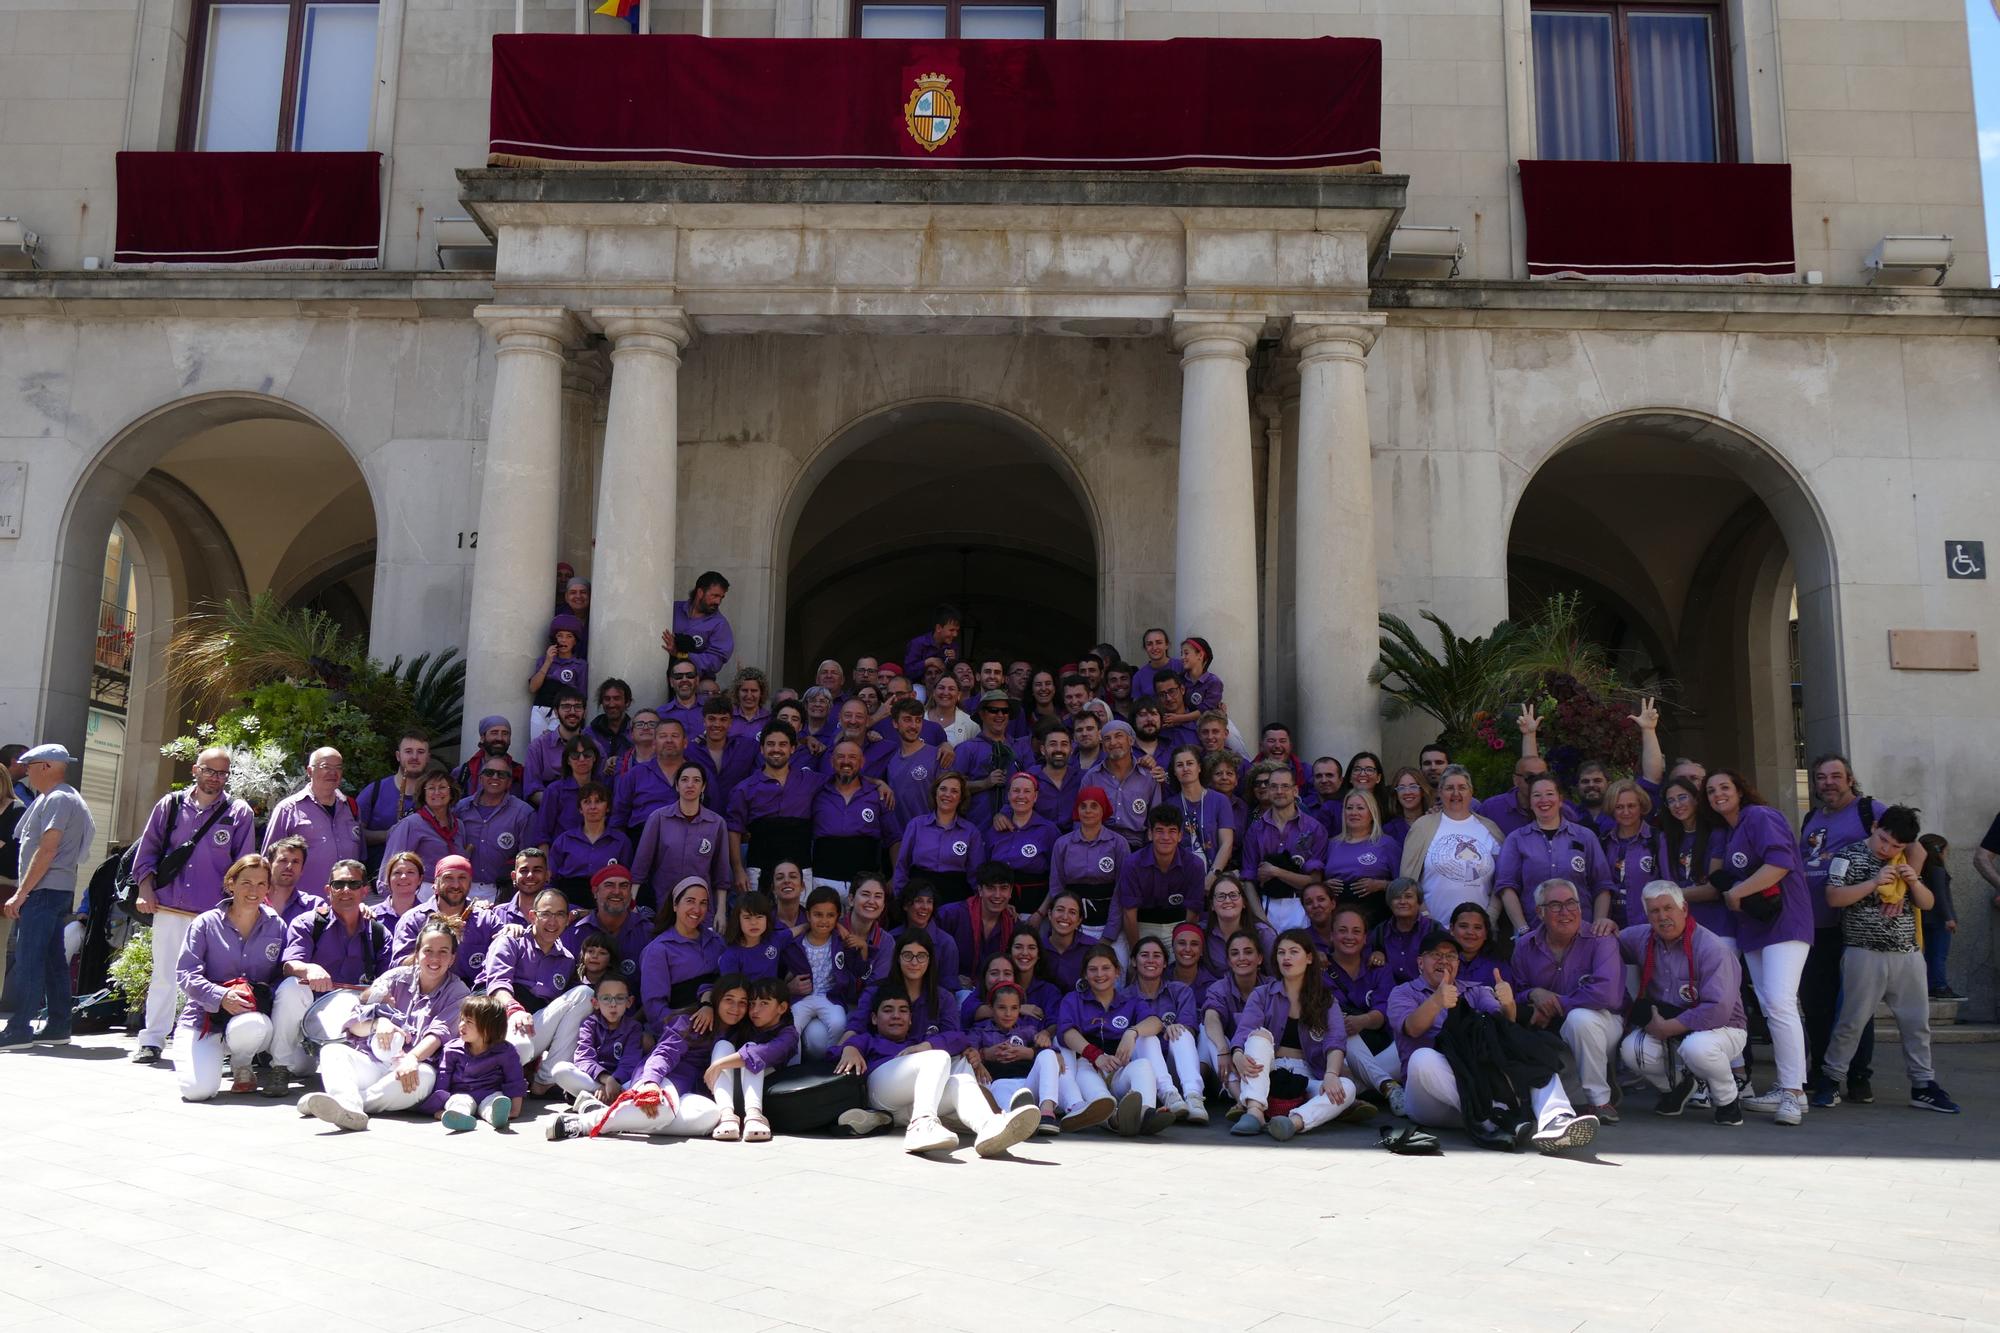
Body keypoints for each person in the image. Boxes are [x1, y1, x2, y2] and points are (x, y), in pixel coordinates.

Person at [1386, 927, 1598, 1153]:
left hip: (1477, 1089)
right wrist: (1437, 1000)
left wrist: (1508, 1005)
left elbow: (1504, 1029)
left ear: (1458, 963)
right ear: (1420, 962)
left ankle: (1556, 1119)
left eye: (1450, 956)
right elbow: (1412, 1028)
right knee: (1423, 1058)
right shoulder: (1403, 993)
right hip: (1430, 1099)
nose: (1444, 961)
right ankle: (1501, 1114)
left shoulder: (1475, 991)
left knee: (1530, 1048)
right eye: (1436, 955)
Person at [1812, 806, 1959, 1114]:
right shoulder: (1847, 856)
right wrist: (1874, 883)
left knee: (1917, 1024)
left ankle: (1923, 1085)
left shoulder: (1905, 860)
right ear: (1875, 827)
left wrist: (1914, 882)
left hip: (1907, 954)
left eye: (1896, 846)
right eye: (1884, 840)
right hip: (1863, 952)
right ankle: (1830, 1079)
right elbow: (1833, 897)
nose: (1887, 849)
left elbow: (1928, 903)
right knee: (1851, 1022)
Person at [128, 746, 254, 1063]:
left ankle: (212, 1041)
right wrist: (146, 891)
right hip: (170, 906)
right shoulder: (170, 805)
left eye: (222, 773)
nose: (215, 778)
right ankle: (153, 1040)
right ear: (195, 770)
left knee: (216, 980)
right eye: (209, 771)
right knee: (164, 975)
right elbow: (147, 855)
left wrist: (238, 909)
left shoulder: (239, 813)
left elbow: (244, 867)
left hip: (213, 914)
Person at [1705, 770, 1813, 1126]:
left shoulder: (1760, 816)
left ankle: (1794, 1094)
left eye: (1725, 787)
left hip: (1785, 923)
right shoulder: (1730, 831)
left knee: (1781, 1003)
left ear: (1740, 790)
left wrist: (1737, 892)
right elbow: (1717, 874)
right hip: (1753, 928)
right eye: (1711, 791)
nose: (1718, 794)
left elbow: (1781, 863)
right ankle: (1788, 1086)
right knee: (1771, 1006)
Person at [299, 918, 469, 1131]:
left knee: (425, 1075)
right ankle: (347, 1105)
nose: (435, 958)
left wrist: (412, 1058)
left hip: (414, 1067)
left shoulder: (458, 992)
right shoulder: (395, 978)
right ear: (417, 953)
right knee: (333, 1051)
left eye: (444, 951)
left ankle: (349, 1106)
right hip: (375, 1061)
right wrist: (378, 1023)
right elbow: (352, 1024)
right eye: (428, 950)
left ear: (452, 958)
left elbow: (437, 1035)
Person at [833, 987, 1041, 1157]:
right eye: (888, 1010)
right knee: (939, 1056)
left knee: (960, 1080)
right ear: (874, 1019)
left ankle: (988, 1128)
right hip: (881, 1091)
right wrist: (849, 1048)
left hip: (908, 1105)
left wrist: (924, 1046)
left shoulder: (917, 1043)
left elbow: (959, 1038)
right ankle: (921, 1125)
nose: (896, 1016)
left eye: (903, 1010)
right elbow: (830, 1055)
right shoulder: (867, 1040)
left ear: (911, 1018)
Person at [1616, 882, 1748, 1125]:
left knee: (1697, 1048)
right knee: (1631, 1050)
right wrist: (1605, 927)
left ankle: (1728, 1101)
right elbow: (1608, 945)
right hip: (1668, 1020)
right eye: (1654, 911)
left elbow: (1718, 1010)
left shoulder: (1712, 947)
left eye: (1668, 908)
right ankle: (1679, 1085)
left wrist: (1670, 1028)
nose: (1663, 917)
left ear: (1684, 908)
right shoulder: (1640, 937)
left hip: (1722, 1027)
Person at [1797, 754, 1885, 1103]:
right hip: (1814, 925)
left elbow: (1913, 848)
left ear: (1850, 779)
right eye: (1821, 777)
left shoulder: (1870, 810)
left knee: (1854, 1006)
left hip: (1854, 926)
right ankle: (1821, 1072)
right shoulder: (1812, 817)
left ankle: (1859, 1077)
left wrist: (1894, 891)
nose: (1828, 783)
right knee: (1816, 1004)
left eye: (1836, 776)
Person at [1226, 929, 1369, 1140]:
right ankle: (1255, 1112)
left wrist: (1330, 1075)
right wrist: (1237, 1054)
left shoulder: (1325, 1000)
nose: (1287, 958)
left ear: (1309, 958)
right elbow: (1245, 1030)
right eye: (1281, 952)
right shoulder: (1262, 994)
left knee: (1347, 1087)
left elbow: (1335, 1042)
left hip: (1307, 1076)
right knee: (1258, 1036)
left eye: (1294, 951)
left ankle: (1293, 1122)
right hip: (1266, 1070)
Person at [0, 745, 96, 1049]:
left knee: (30, 959)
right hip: (54, 890)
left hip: (43, 891)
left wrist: (21, 893)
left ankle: (19, 1031)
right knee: (53, 960)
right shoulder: (63, 797)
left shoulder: (58, 799)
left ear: (45, 767)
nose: (26, 771)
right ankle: (57, 1025)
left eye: (30, 766)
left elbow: (47, 849)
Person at [171, 853, 287, 1101]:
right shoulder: (205, 923)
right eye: (246, 882)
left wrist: (262, 995)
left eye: (260, 884)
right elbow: (186, 973)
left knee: (252, 1026)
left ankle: (242, 1064)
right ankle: (212, 1055)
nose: (253, 890)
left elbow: (282, 974)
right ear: (230, 883)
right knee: (197, 1091)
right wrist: (221, 996)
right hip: (204, 1019)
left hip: (250, 1020)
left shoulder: (277, 925)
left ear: (268, 887)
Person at [545, 988, 730, 1142]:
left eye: (742, 1003)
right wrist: (651, 1082)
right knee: (660, 1108)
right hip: (660, 1078)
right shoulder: (690, 1022)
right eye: (729, 1000)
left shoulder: (738, 1035)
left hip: (684, 1094)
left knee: (710, 1116)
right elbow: (663, 1054)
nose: (735, 1008)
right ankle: (583, 1123)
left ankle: (618, 1116)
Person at [1510, 877, 1625, 1121]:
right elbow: (1517, 991)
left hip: (1604, 1021)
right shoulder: (1524, 946)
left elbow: (1607, 994)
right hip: (1550, 1026)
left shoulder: (1600, 938)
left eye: (1571, 903)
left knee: (1580, 1019)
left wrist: (1558, 1004)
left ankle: (1600, 1102)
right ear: (1540, 912)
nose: (1565, 912)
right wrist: (1533, 993)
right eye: (1555, 905)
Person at [268, 859, 391, 1087]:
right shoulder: (308, 923)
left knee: (305, 1068)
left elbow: (387, 982)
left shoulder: (378, 932)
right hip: (307, 1008)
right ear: (328, 890)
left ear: (365, 890)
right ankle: (280, 1067)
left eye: (354, 884)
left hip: (352, 1014)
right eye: (339, 884)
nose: (346, 890)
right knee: (290, 988)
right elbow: (289, 965)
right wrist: (308, 968)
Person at [481, 886, 593, 1084]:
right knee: (521, 1046)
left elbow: (567, 1013)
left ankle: (545, 1081)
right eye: (546, 914)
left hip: (536, 1024)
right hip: (502, 1020)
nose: (552, 921)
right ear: (532, 916)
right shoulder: (511, 940)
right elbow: (498, 984)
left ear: (567, 920)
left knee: (585, 994)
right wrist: (514, 1010)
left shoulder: (567, 960)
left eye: (559, 915)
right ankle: (491, 1082)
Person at [1056, 943, 1170, 1136]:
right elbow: (1066, 1032)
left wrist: (1131, 1032)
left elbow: (1156, 1022)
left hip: (1119, 1068)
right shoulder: (1073, 999)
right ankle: (1115, 1119)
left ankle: (1145, 1113)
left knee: (1143, 1065)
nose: (1100, 974)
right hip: (1088, 1066)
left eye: (1106, 968)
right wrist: (1096, 1055)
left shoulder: (1129, 1000)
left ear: (1117, 971)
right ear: (1084, 974)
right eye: (1093, 969)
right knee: (1100, 1097)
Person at [1493, 774, 1615, 936]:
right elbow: (1506, 887)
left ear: (1560, 799)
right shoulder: (1516, 839)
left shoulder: (1585, 837)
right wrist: (1522, 929)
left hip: (1582, 933)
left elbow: (1602, 884)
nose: (1544, 799)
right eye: (1537, 795)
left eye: (1550, 794)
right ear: (1530, 802)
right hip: (1535, 932)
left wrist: (1598, 925)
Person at [1398, 765, 1503, 925]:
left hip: (1479, 930)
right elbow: (1408, 880)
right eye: (1449, 788)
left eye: (1462, 788)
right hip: (1432, 928)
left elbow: (1503, 879)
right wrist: (1427, 919)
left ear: (1471, 791)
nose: (1456, 793)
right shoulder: (1422, 827)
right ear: (1440, 792)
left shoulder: (1489, 829)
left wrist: (1490, 918)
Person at [1325, 905, 1404, 1112]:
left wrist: (1364, 1021)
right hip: (1344, 1057)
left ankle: (1355, 1090)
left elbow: (1387, 1009)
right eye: (1342, 930)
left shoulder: (1378, 966)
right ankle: (1387, 1086)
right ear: (1331, 936)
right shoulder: (1320, 969)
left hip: (1382, 1049)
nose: (1349, 936)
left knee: (1410, 1044)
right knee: (1339, 1027)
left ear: (1365, 937)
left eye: (1356, 931)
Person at [1124, 934, 1208, 1123]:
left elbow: (1191, 1031)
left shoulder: (1180, 991)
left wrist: (1176, 1027)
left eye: (1157, 956)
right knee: (1145, 1036)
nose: (1151, 960)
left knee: (1181, 1032)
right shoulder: (1123, 996)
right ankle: (1169, 1095)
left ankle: (1194, 1097)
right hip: (1144, 1072)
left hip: (1178, 1068)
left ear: (1164, 964)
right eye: (1144, 955)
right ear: (1134, 962)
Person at [262, 748, 365, 901]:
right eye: (326, 767)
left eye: (338, 768)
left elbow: (361, 858)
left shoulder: (351, 807)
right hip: (302, 907)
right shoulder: (288, 809)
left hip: (346, 906)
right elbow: (268, 862)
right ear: (310, 771)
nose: (333, 773)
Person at [703, 976, 798, 1142]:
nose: (755, 1010)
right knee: (723, 1045)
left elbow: (760, 1054)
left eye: (764, 1003)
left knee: (752, 1053)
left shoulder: (788, 1034)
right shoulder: (746, 1026)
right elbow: (704, 987)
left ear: (782, 1008)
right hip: (731, 1097)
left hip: (767, 1097)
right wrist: (706, 1006)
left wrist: (718, 1065)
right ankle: (726, 1117)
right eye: (752, 1003)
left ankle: (755, 1117)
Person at [631, 762, 731, 915]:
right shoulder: (659, 818)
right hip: (663, 903)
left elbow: (721, 873)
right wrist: (631, 905)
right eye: (684, 780)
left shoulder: (717, 823)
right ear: (677, 786)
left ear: (703, 787)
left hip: (701, 907)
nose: (690, 785)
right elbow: (641, 865)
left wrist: (721, 912)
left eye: (696, 780)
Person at [967, 980, 1064, 1135]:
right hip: (999, 1083)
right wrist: (985, 1054)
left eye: (1014, 1008)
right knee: (1003, 1097)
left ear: (1020, 1010)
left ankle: (1046, 1113)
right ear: (991, 1009)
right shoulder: (979, 1032)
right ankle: (1019, 1121)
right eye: (1001, 1008)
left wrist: (1029, 1052)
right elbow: (968, 1053)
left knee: (1047, 1054)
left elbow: (1049, 1051)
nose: (1008, 1014)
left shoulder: (1028, 1031)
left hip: (1028, 1082)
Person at [388, 856, 502, 986]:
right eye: (448, 878)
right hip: (426, 996)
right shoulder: (413, 920)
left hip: (475, 997)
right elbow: (398, 966)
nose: (455, 885)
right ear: (435, 884)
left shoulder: (486, 920)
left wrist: (511, 930)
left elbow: (503, 960)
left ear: (470, 883)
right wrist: (434, 945)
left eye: (462, 878)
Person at [1238, 765, 1326, 929]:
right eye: (1274, 786)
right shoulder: (1255, 830)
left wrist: (1275, 872)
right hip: (1265, 905)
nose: (1279, 791)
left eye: (1285, 786)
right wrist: (1262, 921)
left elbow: (1314, 881)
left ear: (1295, 791)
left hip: (1302, 906)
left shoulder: (1314, 829)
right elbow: (1248, 880)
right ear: (1268, 791)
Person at [542, 974, 646, 1109]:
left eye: (620, 999)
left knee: (642, 1080)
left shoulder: (633, 1028)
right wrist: (606, 1080)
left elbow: (630, 1061)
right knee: (559, 1070)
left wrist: (615, 1080)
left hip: (622, 1081)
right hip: (594, 1079)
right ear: (595, 1003)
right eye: (606, 999)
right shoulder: (589, 1024)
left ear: (629, 1002)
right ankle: (609, 1098)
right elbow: (584, 1058)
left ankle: (595, 1100)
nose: (613, 1004)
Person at [424, 994, 526, 1132]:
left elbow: (514, 1079)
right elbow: (443, 1078)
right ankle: (458, 1117)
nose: (461, 1025)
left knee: (495, 1101)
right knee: (459, 1102)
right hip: (461, 1093)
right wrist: (438, 1108)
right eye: (462, 1020)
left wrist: (515, 1109)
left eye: (469, 1022)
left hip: (490, 1093)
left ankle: (495, 1117)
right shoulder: (452, 1049)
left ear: (488, 1028)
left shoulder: (505, 1051)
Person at [1112, 806, 1203, 954]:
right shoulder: (1132, 863)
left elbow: (1193, 914)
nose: (1166, 837)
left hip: (1178, 926)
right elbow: (1129, 914)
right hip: (1141, 926)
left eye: (1172, 831)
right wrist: (1136, 953)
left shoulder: (1195, 865)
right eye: (1160, 831)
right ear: (1150, 834)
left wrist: (1184, 947)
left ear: (1180, 835)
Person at [893, 772, 983, 904]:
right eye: (943, 789)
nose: (947, 794)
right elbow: (902, 865)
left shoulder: (971, 832)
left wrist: (977, 903)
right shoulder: (916, 825)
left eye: (954, 791)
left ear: (961, 798)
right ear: (935, 793)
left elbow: (975, 873)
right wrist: (900, 897)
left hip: (955, 897)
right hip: (919, 895)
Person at [456, 753, 537, 898]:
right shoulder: (461, 809)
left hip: (503, 893)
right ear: (481, 778)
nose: (494, 777)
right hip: (461, 888)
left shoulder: (524, 813)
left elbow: (529, 858)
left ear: (509, 782)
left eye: (501, 774)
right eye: (489, 773)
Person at [558, 863, 654, 985]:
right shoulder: (575, 933)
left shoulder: (647, 932)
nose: (617, 891)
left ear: (630, 893)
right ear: (595, 892)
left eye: (624, 886)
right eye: (609, 885)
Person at [376, 766, 463, 892]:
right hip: (419, 894)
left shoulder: (459, 826)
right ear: (423, 793)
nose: (437, 792)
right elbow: (390, 866)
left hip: (453, 893)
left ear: (451, 793)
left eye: (442, 787)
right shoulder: (410, 824)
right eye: (431, 788)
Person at [1160, 744, 1235, 886]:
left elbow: (1226, 843)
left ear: (1199, 767)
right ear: (1174, 772)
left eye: (1190, 763)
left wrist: (1212, 877)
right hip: (1181, 880)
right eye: (1180, 765)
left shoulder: (1220, 800)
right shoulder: (1169, 805)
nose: (1185, 768)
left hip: (1216, 880)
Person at [1320, 789, 1398, 924]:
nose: (1354, 812)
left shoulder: (1386, 843)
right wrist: (1325, 887)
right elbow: (1319, 879)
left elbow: (1403, 883)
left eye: (1360, 808)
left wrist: (1380, 885)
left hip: (1375, 914)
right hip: (1338, 915)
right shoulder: (1332, 844)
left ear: (1372, 813)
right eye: (1349, 808)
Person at [986, 772, 1061, 914]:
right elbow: (984, 872)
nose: (1021, 796)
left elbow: (1057, 877)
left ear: (1035, 797)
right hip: (998, 909)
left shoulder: (1048, 831)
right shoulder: (995, 830)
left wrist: (1040, 913)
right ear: (1008, 795)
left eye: (1027, 791)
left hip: (1034, 910)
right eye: (1016, 791)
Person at [548, 781, 632, 907]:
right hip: (569, 901)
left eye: (598, 801)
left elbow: (627, 878)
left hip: (608, 903)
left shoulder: (621, 841)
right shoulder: (564, 840)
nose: (593, 807)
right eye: (587, 802)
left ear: (608, 807)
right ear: (580, 809)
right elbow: (551, 878)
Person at [1601, 778, 1667, 929]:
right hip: (1611, 927)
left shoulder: (1658, 840)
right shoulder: (1604, 842)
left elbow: (1669, 884)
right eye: (1619, 807)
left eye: (1631, 806)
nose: (1626, 812)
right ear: (1612, 809)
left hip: (1648, 926)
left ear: (1641, 806)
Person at [357, 732, 431, 867]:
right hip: (379, 876)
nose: (414, 757)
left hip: (425, 879)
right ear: (398, 756)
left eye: (420, 752)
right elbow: (355, 835)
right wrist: (388, 834)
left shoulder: (436, 795)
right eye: (408, 751)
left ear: (428, 757)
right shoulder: (374, 791)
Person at [1084, 720, 1160, 851]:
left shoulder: (1148, 777)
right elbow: (1081, 818)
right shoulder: (1092, 777)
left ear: (1131, 741)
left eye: (1118, 736)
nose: (1113, 742)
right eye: (1107, 739)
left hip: (1138, 846)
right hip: (1100, 845)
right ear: (1103, 746)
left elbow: (1156, 818)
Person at [525, 691, 599, 804]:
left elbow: (602, 785)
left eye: (578, 707)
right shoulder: (538, 747)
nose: (572, 712)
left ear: (585, 712)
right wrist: (561, 803)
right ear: (556, 711)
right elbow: (532, 790)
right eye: (566, 707)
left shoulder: (595, 747)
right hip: (550, 808)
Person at [664, 570, 735, 678]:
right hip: (662, 675)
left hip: (695, 682)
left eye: (721, 597)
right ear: (700, 592)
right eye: (715, 595)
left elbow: (715, 662)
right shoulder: (673, 608)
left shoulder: (720, 624)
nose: (718, 602)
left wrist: (680, 654)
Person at [528, 614, 589, 739]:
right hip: (540, 708)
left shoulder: (579, 665)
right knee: (537, 744)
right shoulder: (544, 660)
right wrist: (548, 662)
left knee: (557, 744)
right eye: (560, 636)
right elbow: (533, 688)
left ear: (575, 640)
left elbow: (582, 694)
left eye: (569, 636)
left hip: (563, 710)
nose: (563, 640)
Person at [1918, 833, 1960, 999]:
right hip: (1938, 919)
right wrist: (1949, 918)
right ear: (1940, 851)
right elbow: (1941, 896)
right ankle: (1939, 985)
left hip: (1926, 918)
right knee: (1939, 954)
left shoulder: (1921, 868)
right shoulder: (1937, 870)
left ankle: (1930, 985)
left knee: (1929, 954)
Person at [1367, 877, 1431, 984]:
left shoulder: (1433, 929)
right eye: (1396, 897)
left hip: (1426, 993)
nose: (1402, 902)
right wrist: (1375, 955)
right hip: (1389, 993)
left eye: (1408, 896)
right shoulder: (1380, 932)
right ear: (1389, 903)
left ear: (1419, 902)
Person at [452, 716, 523, 798]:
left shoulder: (519, 772)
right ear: (482, 738)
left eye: (505, 733)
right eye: (494, 733)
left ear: (509, 739)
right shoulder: (462, 773)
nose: (500, 738)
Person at [901, 605, 963, 682]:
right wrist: (928, 662)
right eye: (951, 630)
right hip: (919, 687)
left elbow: (954, 674)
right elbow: (908, 672)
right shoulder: (917, 643)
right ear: (938, 628)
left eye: (957, 630)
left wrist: (952, 661)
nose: (955, 634)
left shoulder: (953, 646)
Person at [1382, 767, 1433, 848]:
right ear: (1396, 795)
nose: (1407, 792)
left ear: (1422, 791)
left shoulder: (1434, 823)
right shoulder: (1389, 830)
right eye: (1401, 788)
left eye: (1413, 786)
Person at [1176, 636, 1224, 716]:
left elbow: (1206, 710)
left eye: (1186, 653)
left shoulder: (1213, 682)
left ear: (1200, 655)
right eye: (1181, 654)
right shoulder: (1180, 679)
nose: (1182, 657)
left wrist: (1180, 719)